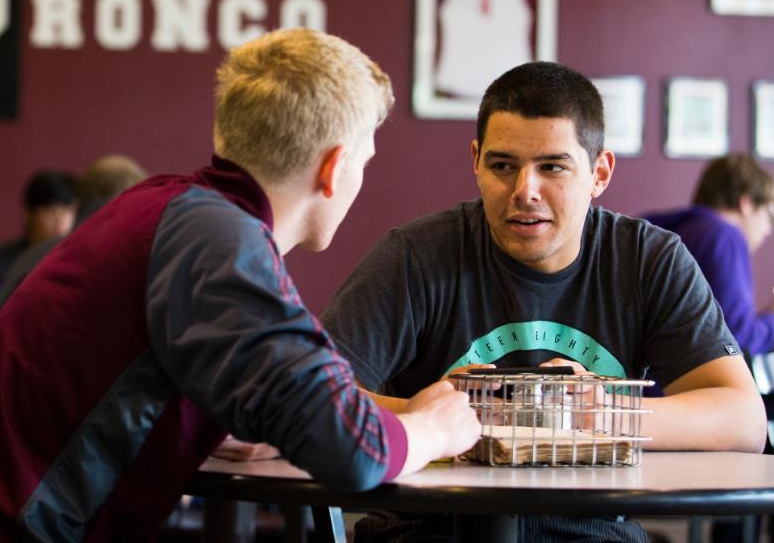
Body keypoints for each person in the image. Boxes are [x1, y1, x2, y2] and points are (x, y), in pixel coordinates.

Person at [0, 28, 481, 542]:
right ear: (334, 169)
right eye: (367, 160)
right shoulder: (218, 241)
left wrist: (232, 426)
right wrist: (435, 428)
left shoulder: (162, 205)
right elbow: (352, 451)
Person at [321, 61, 766, 543]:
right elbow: (315, 397)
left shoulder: (648, 259)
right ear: (475, 161)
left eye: (552, 166)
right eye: (502, 166)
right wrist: (434, 418)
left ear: (599, 173)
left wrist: (600, 411)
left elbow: (744, 421)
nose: (524, 191)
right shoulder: (416, 255)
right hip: (427, 528)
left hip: (591, 531)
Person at [0, 154, 149, 319]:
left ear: (77, 204)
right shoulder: (125, 263)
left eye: (63, 211)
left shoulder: (30, 258)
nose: (58, 219)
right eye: (50, 211)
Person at [644, 153, 774, 355]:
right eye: (770, 215)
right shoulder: (724, 237)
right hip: (685, 383)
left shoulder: (672, 230)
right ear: (746, 204)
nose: (768, 230)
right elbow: (734, 340)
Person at [0, 170, 77, 323]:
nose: (59, 220)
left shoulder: (76, 257)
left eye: (67, 211)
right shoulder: (4, 256)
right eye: (50, 211)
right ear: (30, 214)